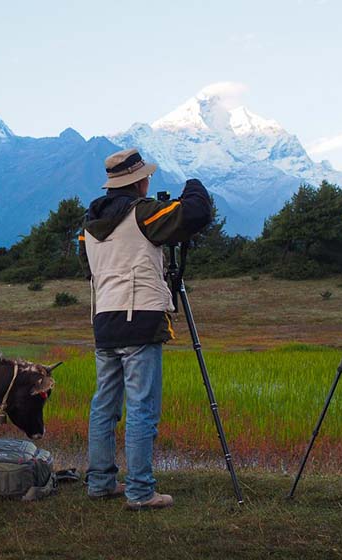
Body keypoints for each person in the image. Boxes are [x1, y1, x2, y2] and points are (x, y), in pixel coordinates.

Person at [79, 147, 211, 510]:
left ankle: (101, 482)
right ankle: (140, 491)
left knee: (104, 405)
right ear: (138, 182)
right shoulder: (144, 214)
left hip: (104, 320)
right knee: (142, 408)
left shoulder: (88, 227)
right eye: (146, 178)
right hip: (141, 320)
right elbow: (197, 211)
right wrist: (193, 182)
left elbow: (88, 266)